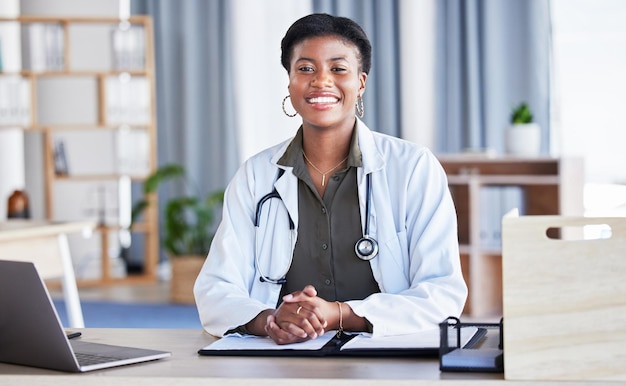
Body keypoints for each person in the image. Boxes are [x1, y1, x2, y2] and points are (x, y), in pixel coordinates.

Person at [194, 13, 467, 345]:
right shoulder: (256, 175)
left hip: (388, 353)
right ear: (290, 82)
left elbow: (441, 292)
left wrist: (338, 314)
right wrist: (270, 320)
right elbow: (215, 288)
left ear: (361, 83)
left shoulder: (413, 168)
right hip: (279, 357)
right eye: (305, 69)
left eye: (338, 69)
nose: (321, 81)